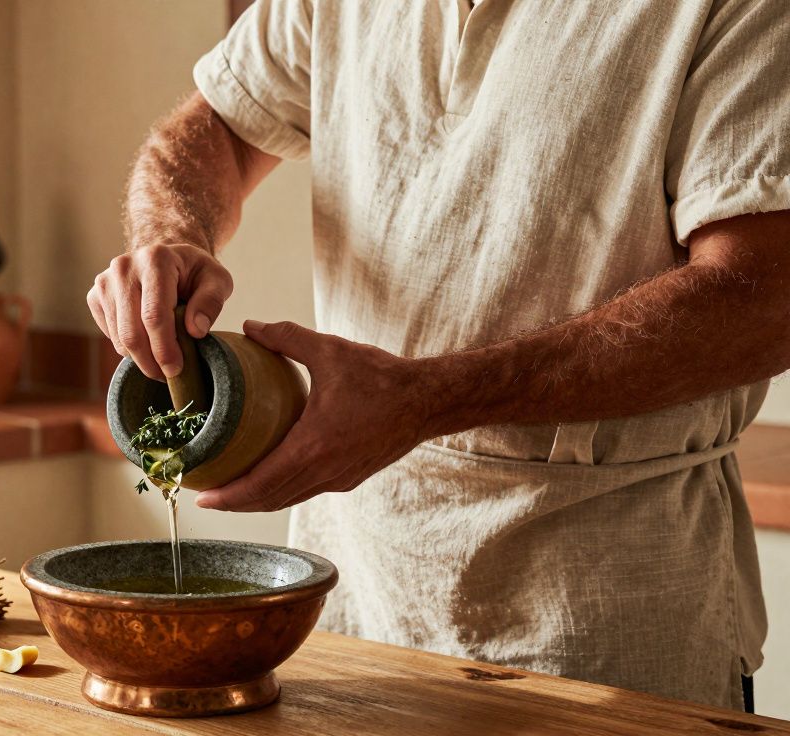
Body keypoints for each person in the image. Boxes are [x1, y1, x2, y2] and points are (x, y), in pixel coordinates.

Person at [86, 0, 790, 712]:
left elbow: (764, 301)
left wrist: (427, 399)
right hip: (356, 598)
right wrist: (170, 233)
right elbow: (216, 130)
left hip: (603, 618)